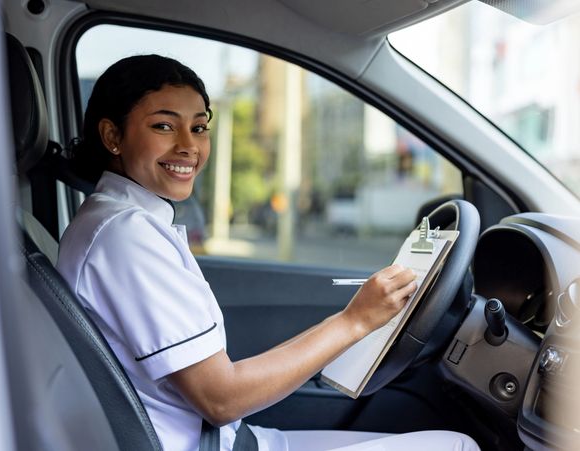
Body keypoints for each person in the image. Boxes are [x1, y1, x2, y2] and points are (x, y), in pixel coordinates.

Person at [56, 55, 479, 451]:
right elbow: (220, 399)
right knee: (458, 445)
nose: (189, 146)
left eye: (199, 127)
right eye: (164, 127)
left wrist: (352, 322)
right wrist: (354, 321)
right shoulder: (126, 236)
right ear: (113, 136)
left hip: (225, 440)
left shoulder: (114, 221)